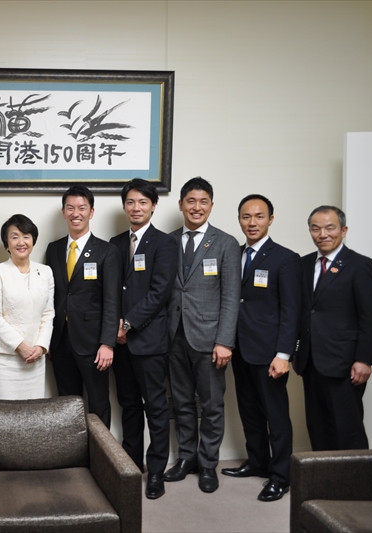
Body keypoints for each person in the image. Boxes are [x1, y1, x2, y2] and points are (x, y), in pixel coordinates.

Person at [222, 194, 301, 502]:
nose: (252, 222)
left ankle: (281, 476)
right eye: (246, 217)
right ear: (239, 220)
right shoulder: (235, 254)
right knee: (250, 411)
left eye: (258, 216)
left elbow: (291, 311)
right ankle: (257, 462)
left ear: (270, 219)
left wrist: (284, 354)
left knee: (276, 416)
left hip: (270, 353)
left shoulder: (285, 258)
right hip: (240, 348)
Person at [164, 176, 240, 493]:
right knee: (181, 402)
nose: (197, 207)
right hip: (173, 336)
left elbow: (231, 296)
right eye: (191, 201)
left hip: (210, 340)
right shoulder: (167, 241)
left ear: (211, 205)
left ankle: (208, 464)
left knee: (211, 405)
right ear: (181, 204)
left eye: (203, 201)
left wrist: (225, 341)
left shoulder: (226, 243)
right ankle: (187, 458)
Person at [110, 179, 178, 500]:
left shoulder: (164, 243)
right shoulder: (115, 243)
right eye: (131, 202)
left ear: (153, 206)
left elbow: (159, 292)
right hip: (119, 341)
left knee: (156, 408)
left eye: (142, 202)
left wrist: (128, 323)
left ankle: (157, 472)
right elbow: (111, 291)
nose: (136, 208)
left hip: (148, 340)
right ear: (124, 206)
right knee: (129, 406)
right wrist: (114, 328)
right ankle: (132, 465)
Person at [295, 206, 372, 451]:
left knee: (347, 429)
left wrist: (364, 359)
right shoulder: (303, 264)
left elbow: (370, 317)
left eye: (330, 228)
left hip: (345, 363)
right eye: (316, 228)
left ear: (343, 230)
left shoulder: (360, 265)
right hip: (310, 361)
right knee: (317, 427)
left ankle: (357, 477)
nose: (322, 234)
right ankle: (324, 475)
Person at [45, 185, 121, 428]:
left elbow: (112, 301)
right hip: (60, 341)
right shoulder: (54, 249)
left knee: (98, 403)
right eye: (70, 208)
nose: (75, 213)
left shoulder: (107, 251)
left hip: (93, 343)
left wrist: (107, 343)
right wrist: (47, 339)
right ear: (63, 212)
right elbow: (50, 296)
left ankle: (101, 452)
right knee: (67, 405)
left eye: (82, 208)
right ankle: (73, 451)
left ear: (91, 212)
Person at [0, 214, 55, 400]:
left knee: (32, 412)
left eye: (26, 236)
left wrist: (41, 346)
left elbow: (48, 314)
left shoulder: (45, 271)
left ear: (33, 240)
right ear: (6, 243)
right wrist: (20, 346)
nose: (21, 242)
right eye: (14, 237)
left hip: (35, 358)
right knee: (1, 412)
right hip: (3, 359)